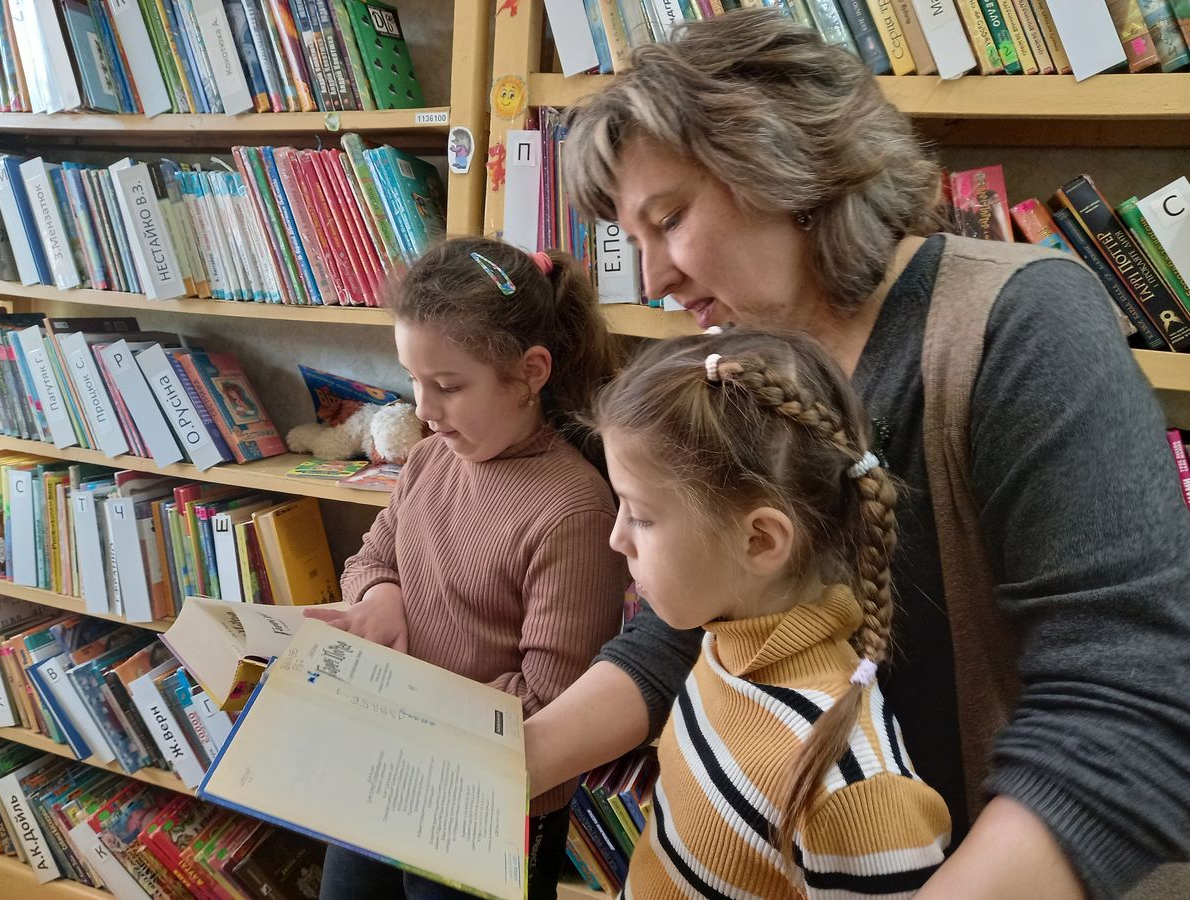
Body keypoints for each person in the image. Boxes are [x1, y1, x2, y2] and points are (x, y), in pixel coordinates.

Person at [526, 10, 1190, 899]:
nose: (654, 279)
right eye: (632, 239)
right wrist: (510, 762)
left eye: (670, 218)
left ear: (786, 164)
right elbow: (694, 620)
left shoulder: (1024, 326)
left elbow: (1125, 712)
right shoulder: (743, 355)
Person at [305, 237, 631, 900]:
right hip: (387, 764)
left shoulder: (573, 510)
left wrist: (406, 704)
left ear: (530, 372)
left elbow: (550, 706)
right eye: (413, 379)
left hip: (491, 802)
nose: (423, 410)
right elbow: (371, 557)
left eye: (448, 386)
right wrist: (381, 595)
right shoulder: (431, 460)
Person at [597, 328, 951, 896]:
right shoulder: (723, 645)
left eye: (640, 514)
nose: (617, 538)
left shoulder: (856, 792)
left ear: (759, 541)